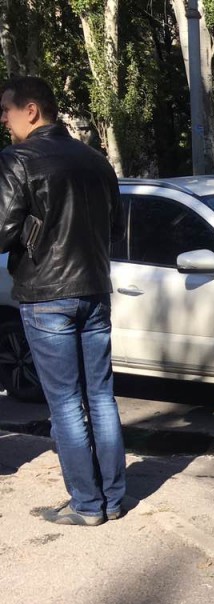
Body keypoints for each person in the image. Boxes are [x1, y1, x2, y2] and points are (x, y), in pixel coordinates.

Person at [0, 76, 127, 526]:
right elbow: (115, 228)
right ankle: (113, 499)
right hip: (94, 288)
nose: (4, 119)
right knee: (102, 396)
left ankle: (87, 505)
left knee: (67, 403)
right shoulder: (95, 160)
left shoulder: (18, 159)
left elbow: (2, 231)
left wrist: (31, 234)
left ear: (31, 110)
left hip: (47, 294)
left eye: (6, 110)